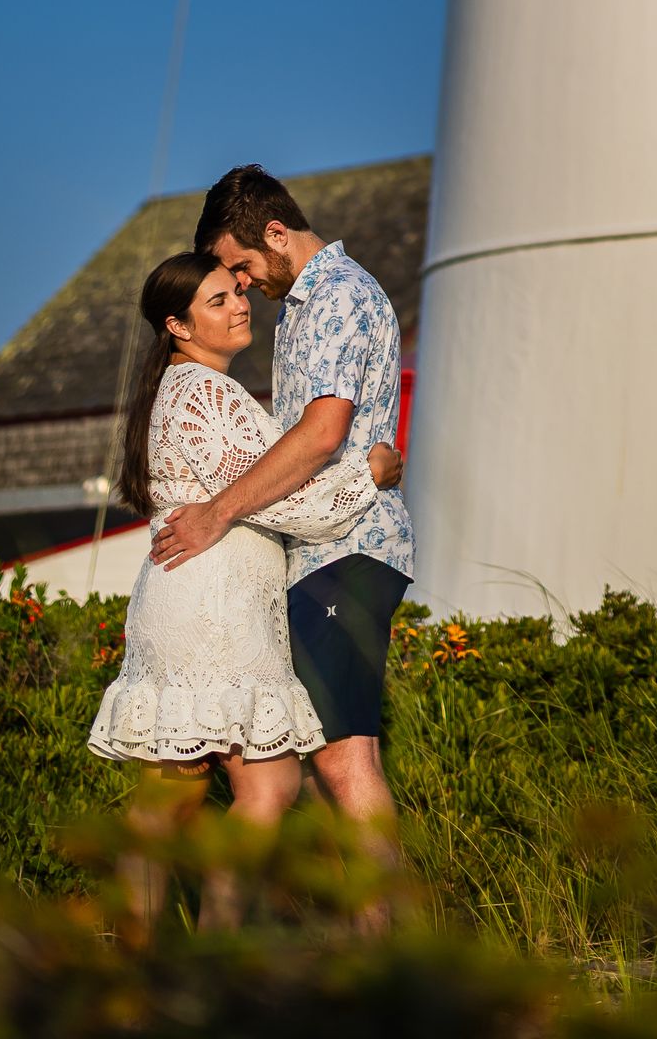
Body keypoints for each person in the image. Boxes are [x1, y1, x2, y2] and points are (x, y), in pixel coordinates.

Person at [88, 248, 403, 932]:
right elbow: (279, 500)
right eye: (218, 300)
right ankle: (202, 948)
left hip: (199, 599)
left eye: (236, 292)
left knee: (178, 795)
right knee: (261, 784)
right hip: (213, 609)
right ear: (178, 326)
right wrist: (368, 475)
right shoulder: (204, 393)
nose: (239, 306)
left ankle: (138, 953)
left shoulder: (186, 389)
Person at [151, 166, 414, 859]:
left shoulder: (335, 295)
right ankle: (353, 914)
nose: (241, 285)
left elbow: (322, 434)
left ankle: (388, 925)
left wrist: (216, 513)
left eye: (240, 266)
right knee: (320, 766)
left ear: (275, 233)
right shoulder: (303, 303)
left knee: (343, 758)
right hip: (318, 550)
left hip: (347, 546)